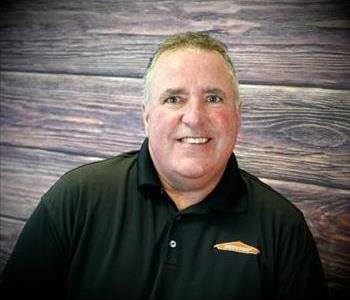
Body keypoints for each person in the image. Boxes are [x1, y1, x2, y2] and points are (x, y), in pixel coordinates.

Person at [0, 32, 329, 300]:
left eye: (213, 98)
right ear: (146, 116)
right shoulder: (76, 198)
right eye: (174, 98)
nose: (195, 117)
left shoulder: (283, 228)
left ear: (238, 116)